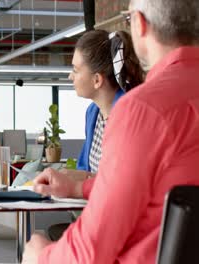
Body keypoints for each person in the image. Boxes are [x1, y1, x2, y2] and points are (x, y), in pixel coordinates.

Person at [23, 0, 199, 262]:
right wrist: (78, 188)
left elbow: (92, 250)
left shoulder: (142, 109)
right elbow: (154, 187)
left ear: (139, 23)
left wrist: (42, 256)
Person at [45, 29, 144, 240]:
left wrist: (84, 179)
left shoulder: (129, 114)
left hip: (120, 221)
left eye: (75, 69)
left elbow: (124, 183)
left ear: (97, 80)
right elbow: (85, 168)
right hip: (93, 211)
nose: (70, 76)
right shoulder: (93, 113)